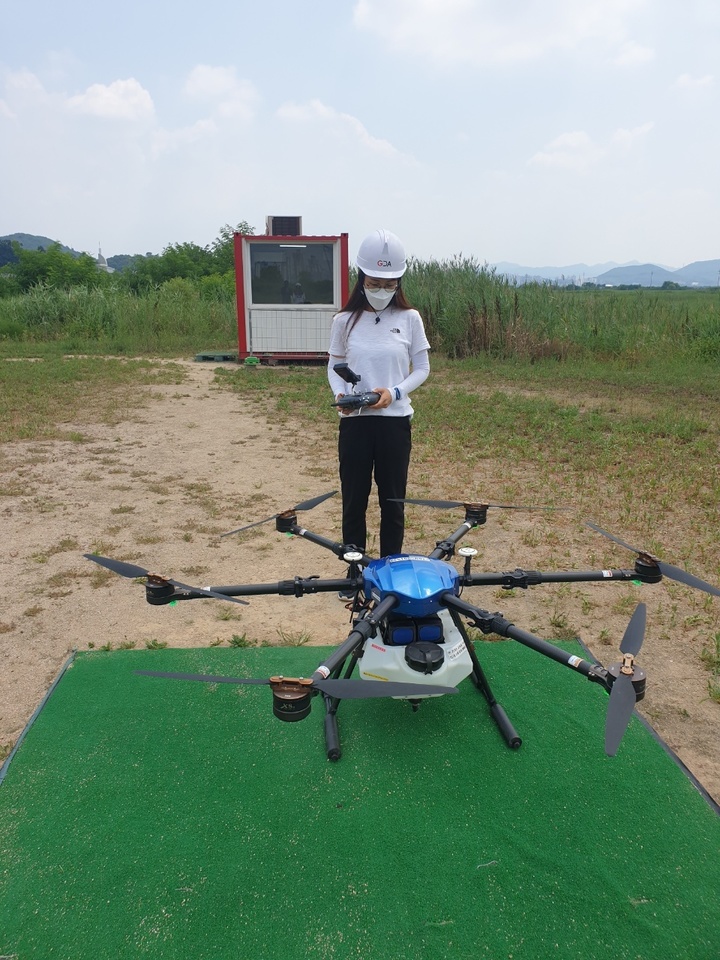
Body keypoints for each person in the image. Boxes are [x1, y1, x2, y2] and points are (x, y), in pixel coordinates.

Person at [327, 228, 430, 559]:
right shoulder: (344, 321)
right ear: (361, 278)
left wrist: (395, 393)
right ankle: (354, 571)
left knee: (393, 502)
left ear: (399, 282)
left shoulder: (409, 318)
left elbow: (423, 369)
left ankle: (391, 568)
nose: (381, 290)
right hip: (356, 423)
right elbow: (335, 364)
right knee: (354, 500)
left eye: (389, 284)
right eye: (374, 282)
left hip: (394, 423)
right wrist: (342, 395)